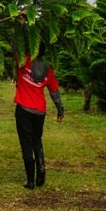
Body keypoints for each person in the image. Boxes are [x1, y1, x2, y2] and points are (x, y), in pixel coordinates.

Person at [13, 39, 64, 189]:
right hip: (39, 112)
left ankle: (30, 181)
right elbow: (54, 92)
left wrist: (19, 24)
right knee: (37, 140)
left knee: (26, 144)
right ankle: (41, 169)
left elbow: (15, 46)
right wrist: (60, 110)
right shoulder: (49, 70)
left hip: (23, 110)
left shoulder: (24, 62)